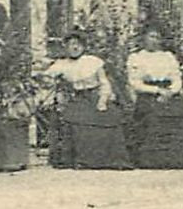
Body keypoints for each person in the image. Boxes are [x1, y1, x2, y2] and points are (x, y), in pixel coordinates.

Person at [42, 30, 130, 170]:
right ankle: (83, 160)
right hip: (76, 98)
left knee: (110, 117)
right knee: (77, 119)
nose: (75, 47)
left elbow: (104, 83)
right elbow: (45, 78)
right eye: (71, 44)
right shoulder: (61, 64)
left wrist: (102, 100)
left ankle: (110, 160)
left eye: (78, 44)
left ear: (83, 47)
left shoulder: (93, 62)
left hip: (95, 96)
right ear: (66, 47)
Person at [124, 25, 183, 170]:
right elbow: (134, 82)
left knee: (182, 113)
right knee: (152, 115)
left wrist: (171, 91)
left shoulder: (168, 57)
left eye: (157, 37)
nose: (154, 41)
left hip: (169, 93)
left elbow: (177, 78)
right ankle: (152, 160)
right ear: (143, 39)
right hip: (148, 94)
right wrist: (156, 91)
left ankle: (176, 159)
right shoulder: (136, 57)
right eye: (151, 37)